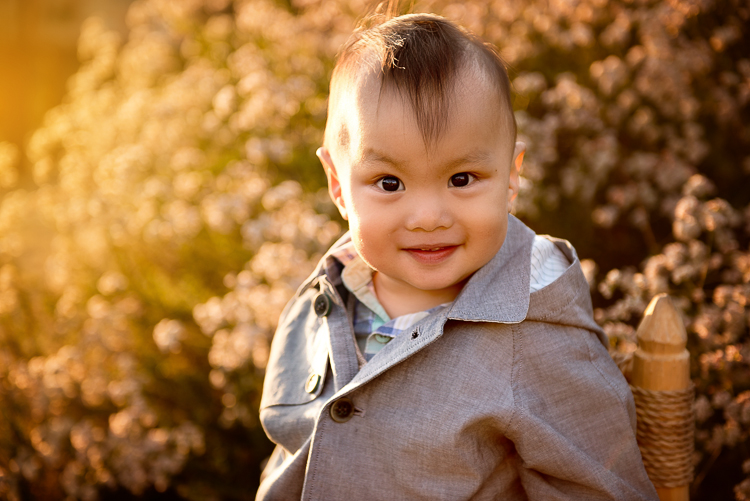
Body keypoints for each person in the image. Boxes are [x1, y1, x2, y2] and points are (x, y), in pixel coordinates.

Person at [256, 12, 658, 501]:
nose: (428, 217)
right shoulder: (325, 296)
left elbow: (597, 488)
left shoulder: (536, 338)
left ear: (511, 177)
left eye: (461, 179)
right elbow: (294, 452)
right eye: (389, 183)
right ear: (338, 186)